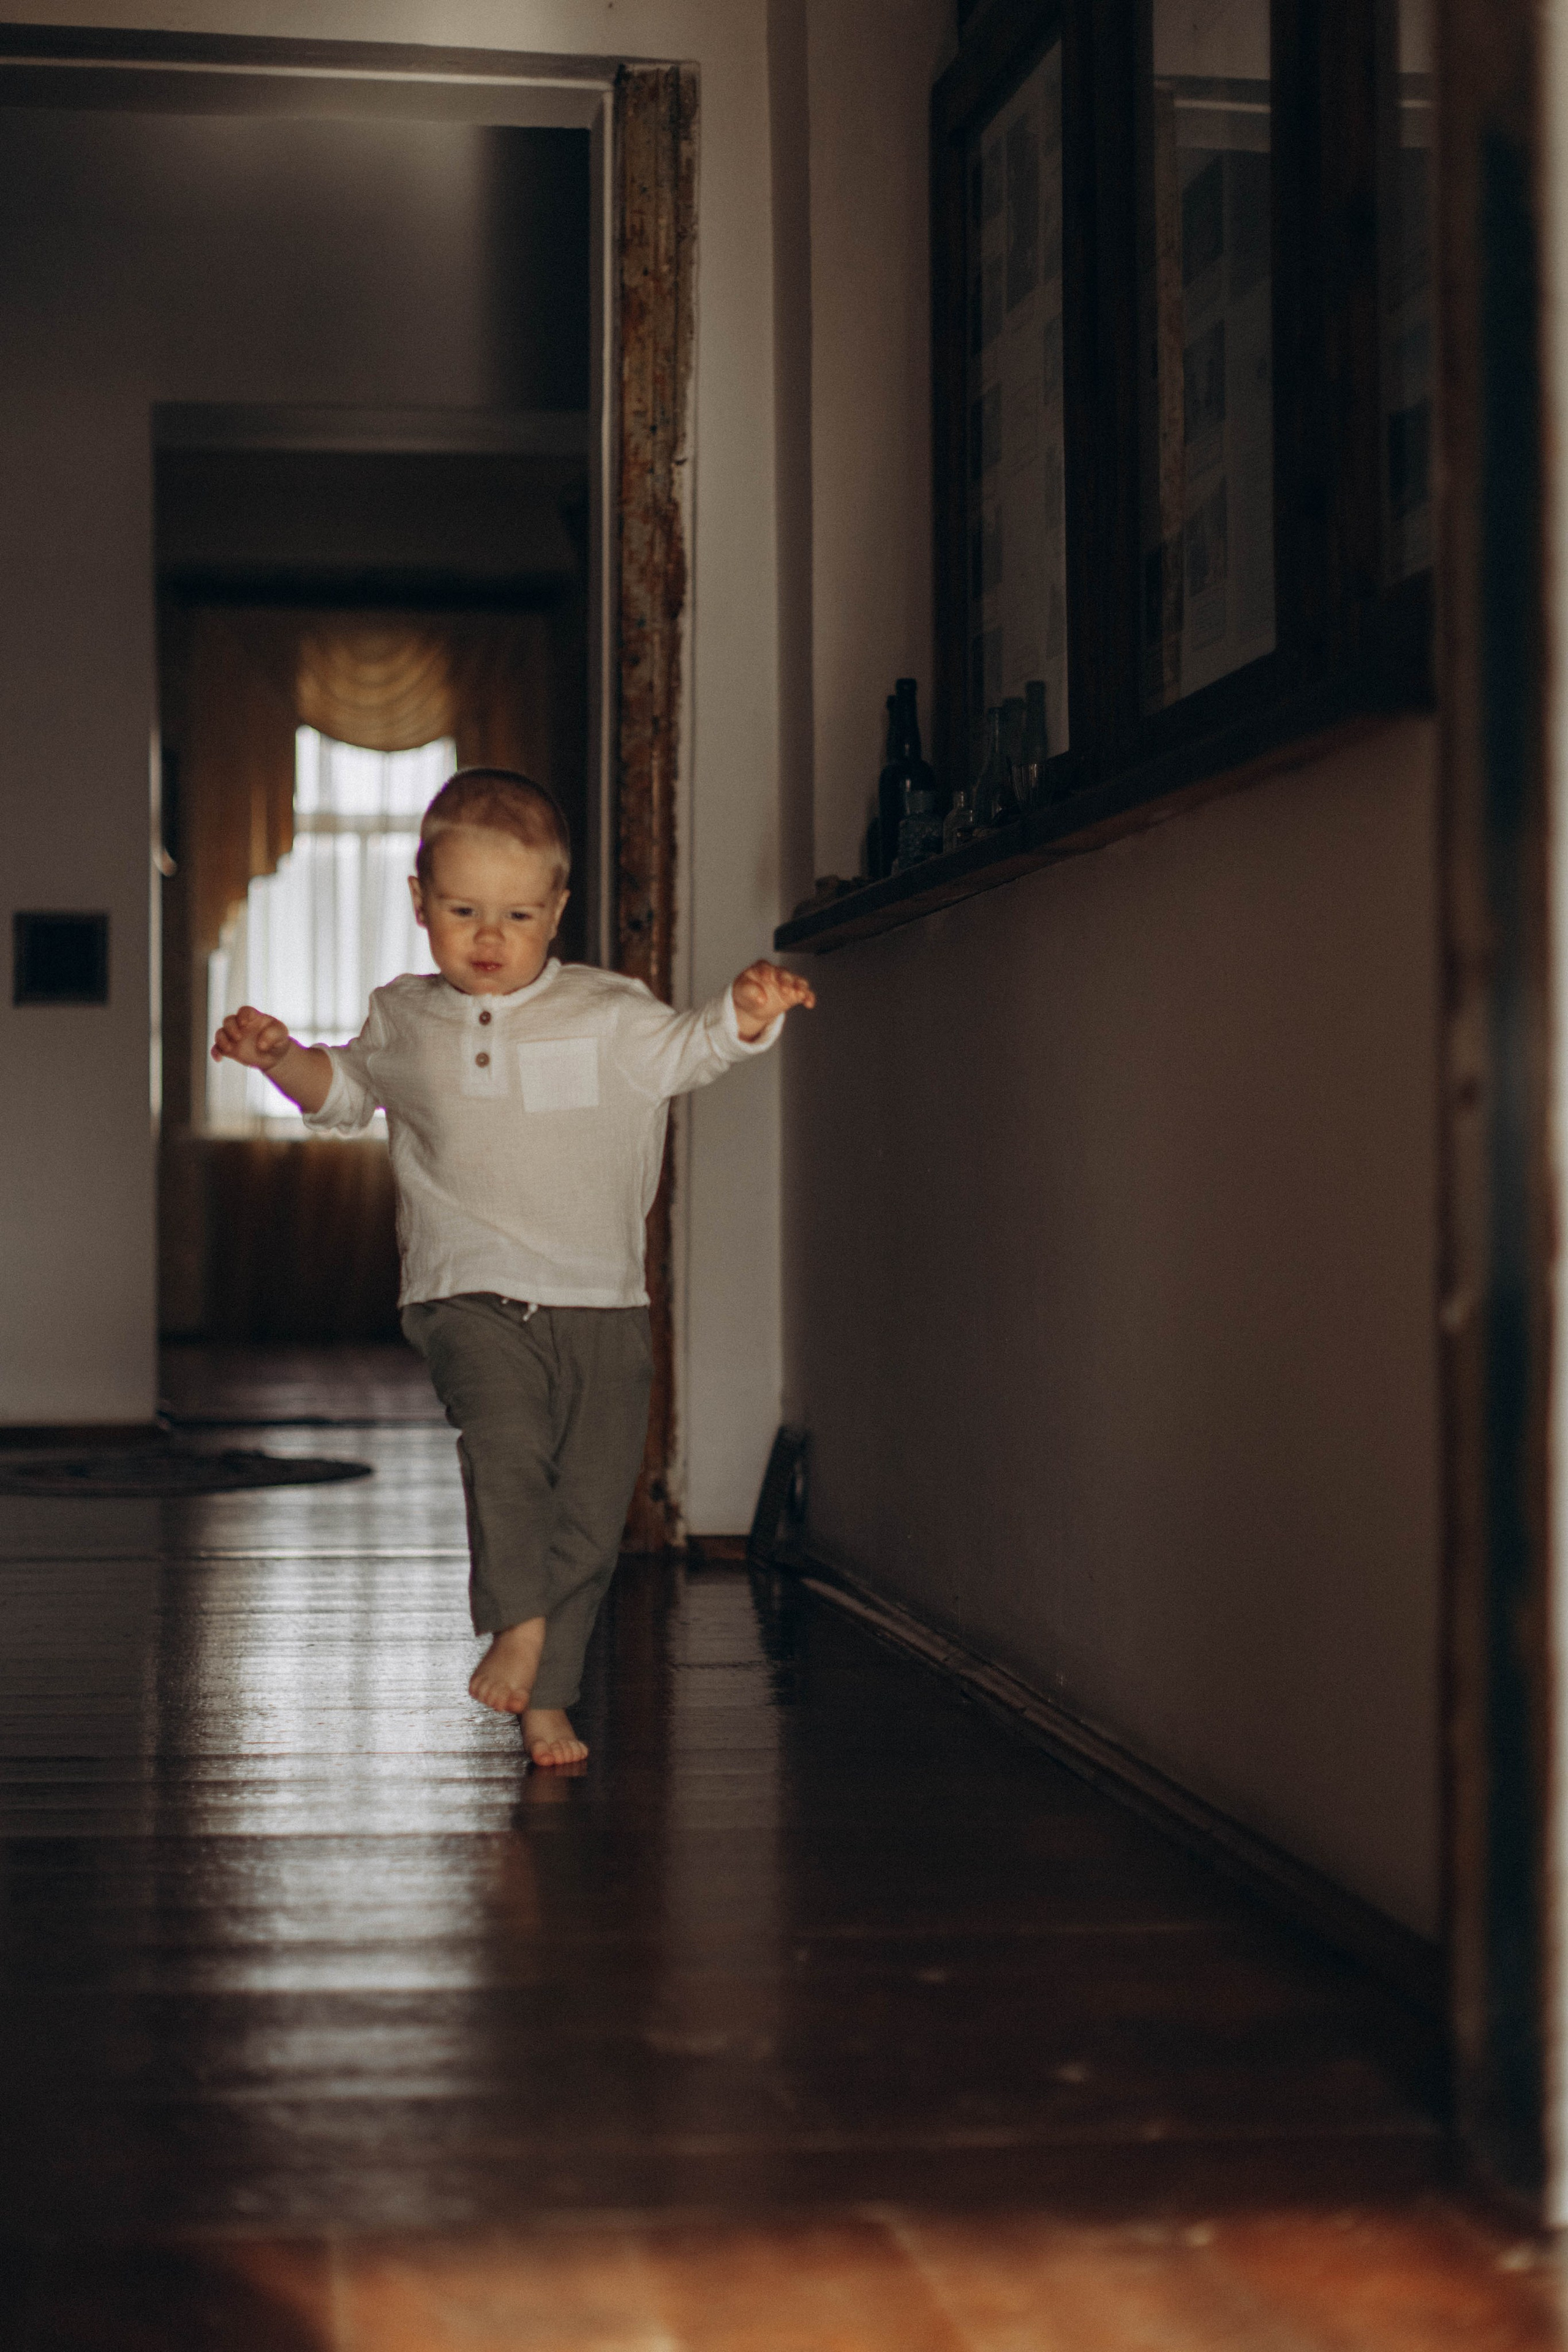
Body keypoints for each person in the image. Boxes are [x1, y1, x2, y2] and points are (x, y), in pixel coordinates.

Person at [211, 766, 815, 1766]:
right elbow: (348, 1091)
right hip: (468, 1293)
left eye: (518, 914)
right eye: (462, 911)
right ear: (419, 902)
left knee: (589, 1511)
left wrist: (745, 1012)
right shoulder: (406, 1016)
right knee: (505, 1449)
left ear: (558, 910)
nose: (489, 938)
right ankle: (517, 1623)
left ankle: (547, 1692)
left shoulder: (608, 1012)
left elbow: (690, 1052)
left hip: (604, 1302)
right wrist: (281, 1056)